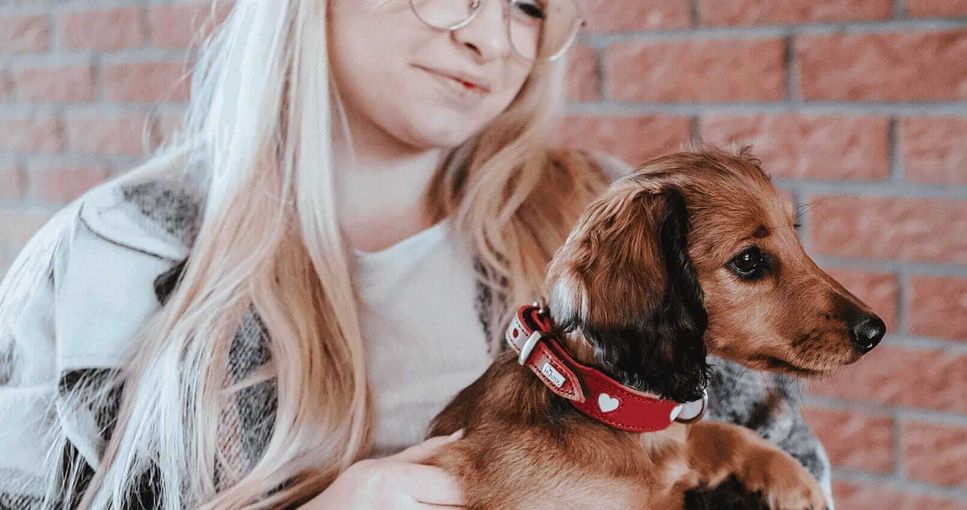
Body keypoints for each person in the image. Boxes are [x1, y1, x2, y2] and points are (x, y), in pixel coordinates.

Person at [0, 1, 832, 509]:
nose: (491, 39)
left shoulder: (617, 225)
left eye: (528, 4)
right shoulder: (107, 257)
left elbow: (787, 477)